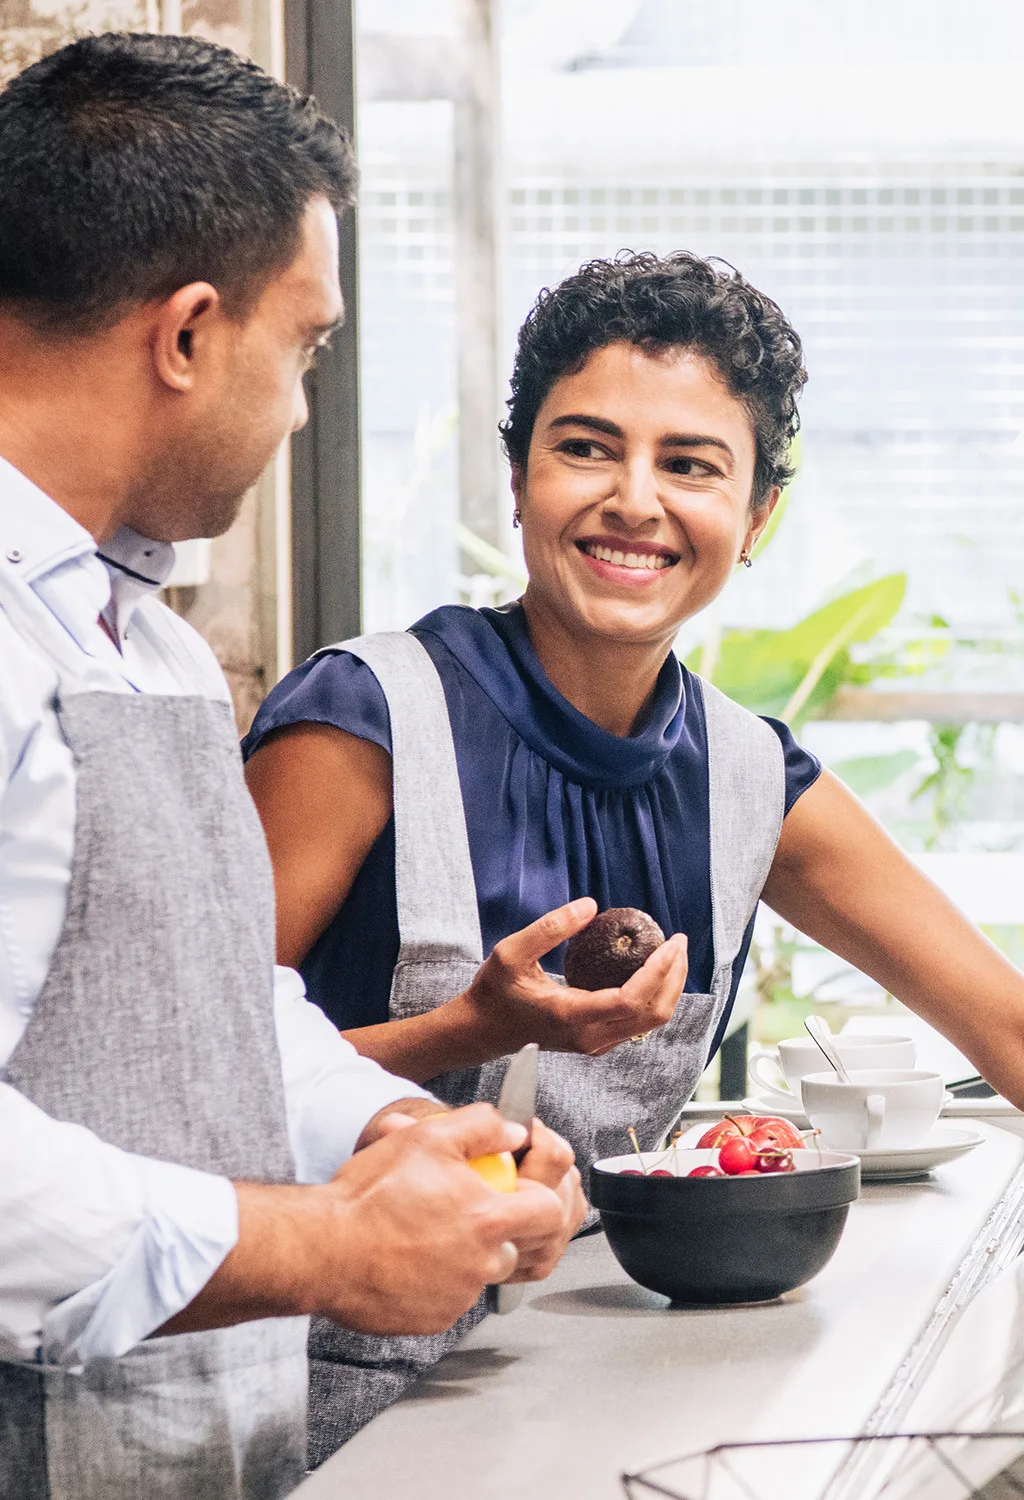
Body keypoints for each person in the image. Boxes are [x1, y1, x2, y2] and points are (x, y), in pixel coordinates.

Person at [246, 248, 1024, 1454]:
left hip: (582, 1371)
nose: (634, 500)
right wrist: (469, 1030)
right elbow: (182, 1093)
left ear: (756, 514)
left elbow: (1005, 1027)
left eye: (691, 465)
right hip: (312, 1393)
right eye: (586, 447)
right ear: (517, 478)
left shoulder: (749, 774)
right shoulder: (363, 723)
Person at [0, 33, 597, 1500]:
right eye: (308, 347)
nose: (304, 410)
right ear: (191, 334)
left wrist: (398, 1131)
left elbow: (207, 1003)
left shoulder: (142, 644)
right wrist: (328, 1245)